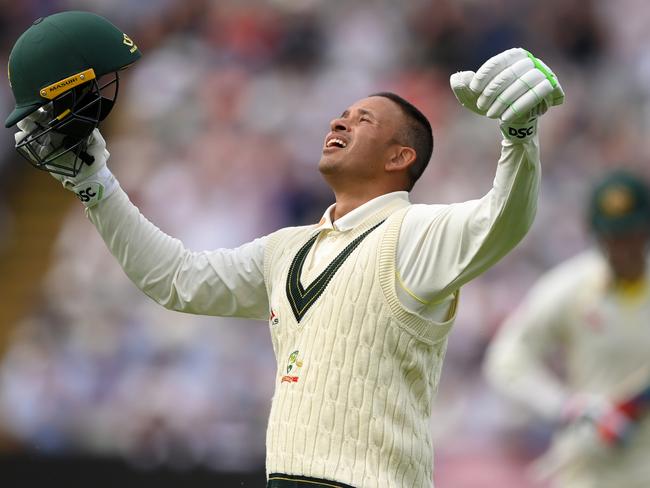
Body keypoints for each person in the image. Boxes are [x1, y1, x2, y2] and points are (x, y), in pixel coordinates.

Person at [7, 12, 564, 488]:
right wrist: (95, 185)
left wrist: (519, 135)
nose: (339, 120)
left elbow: (503, 220)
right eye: (341, 113)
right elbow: (175, 278)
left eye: (363, 119)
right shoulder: (287, 250)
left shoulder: (415, 234)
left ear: (400, 158)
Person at [484, 170, 650, 487]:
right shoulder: (572, 287)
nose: (621, 249)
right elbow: (507, 358)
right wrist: (565, 406)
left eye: (631, 235)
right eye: (611, 237)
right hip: (588, 471)